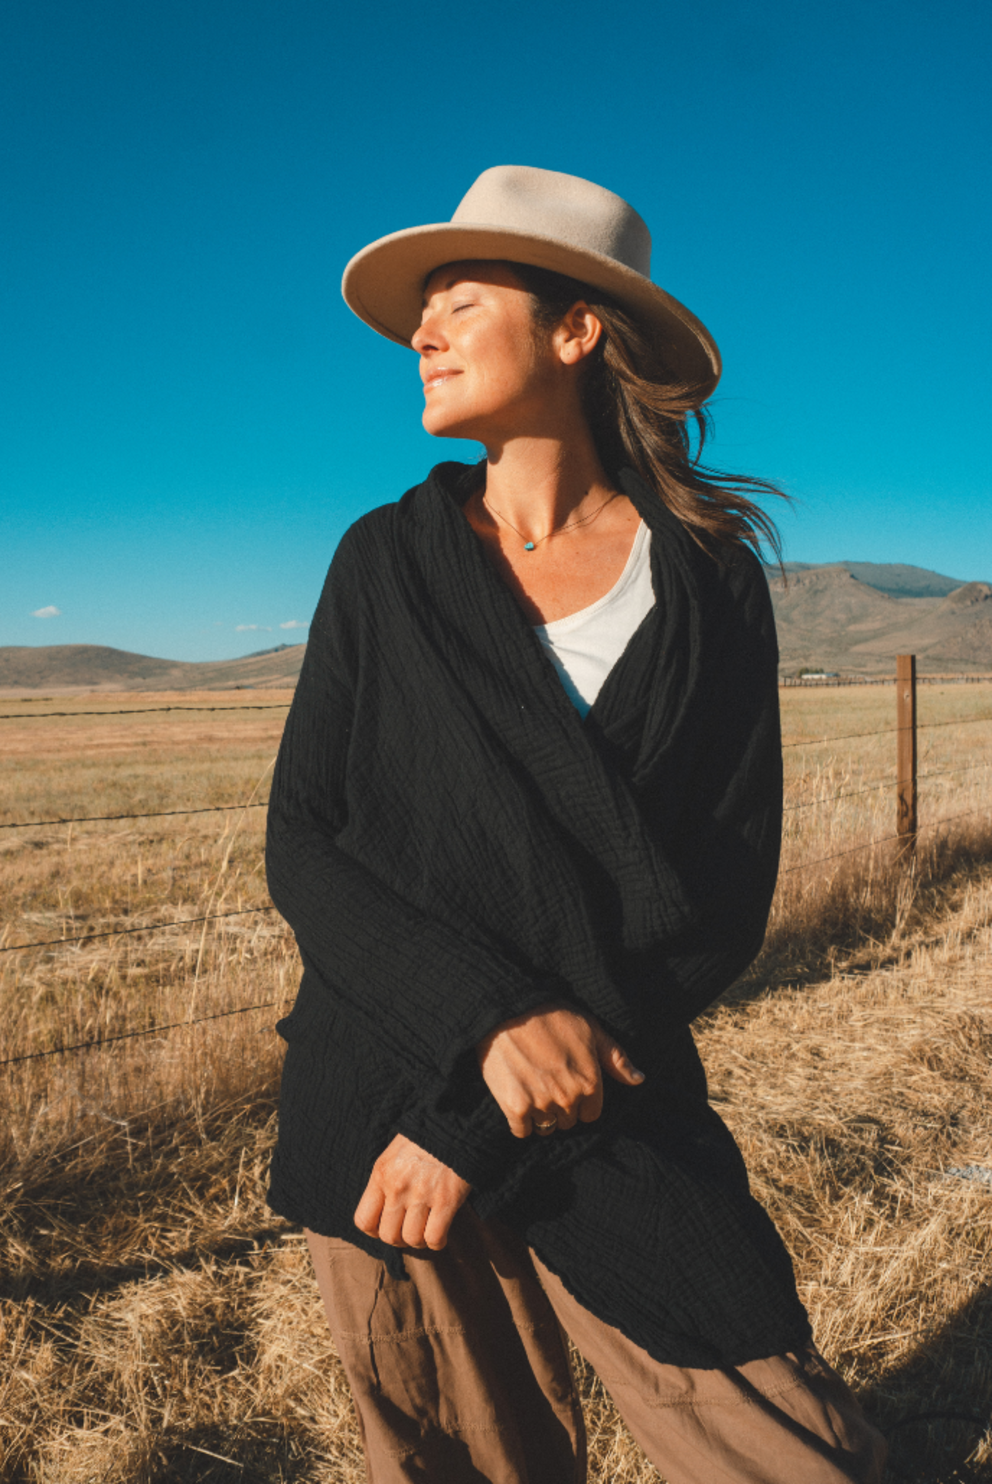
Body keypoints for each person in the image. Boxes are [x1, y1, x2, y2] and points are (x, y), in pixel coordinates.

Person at [265, 166, 886, 1484]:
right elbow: (305, 843)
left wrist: (480, 1118)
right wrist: (483, 1024)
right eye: (420, 310)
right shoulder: (386, 564)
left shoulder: (710, 582)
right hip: (379, 1111)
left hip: (606, 1105)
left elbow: (718, 902)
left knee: (794, 1452)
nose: (420, 332)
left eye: (458, 298)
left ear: (577, 327)